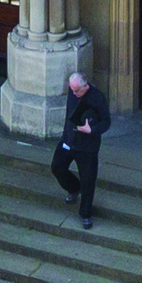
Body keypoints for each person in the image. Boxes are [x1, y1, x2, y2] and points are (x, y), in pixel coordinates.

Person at [52, 70, 109, 228]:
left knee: (88, 180)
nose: (74, 93)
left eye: (77, 90)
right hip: (69, 140)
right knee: (57, 166)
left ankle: (86, 213)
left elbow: (106, 122)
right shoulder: (73, 91)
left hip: (87, 147)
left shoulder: (97, 97)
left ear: (85, 86)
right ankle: (73, 188)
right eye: (72, 89)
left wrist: (92, 130)